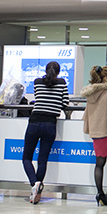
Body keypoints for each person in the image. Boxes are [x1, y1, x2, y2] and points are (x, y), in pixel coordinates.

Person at [22, 61, 69, 204]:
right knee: (42, 160)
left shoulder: (37, 82)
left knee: (26, 158)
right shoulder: (62, 83)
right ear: (59, 72)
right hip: (50, 124)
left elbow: (37, 98)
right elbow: (65, 103)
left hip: (34, 122)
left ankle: (34, 184)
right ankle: (38, 186)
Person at [81, 66, 107, 206]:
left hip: (96, 133)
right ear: (105, 78)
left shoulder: (90, 93)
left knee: (99, 164)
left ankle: (100, 193)